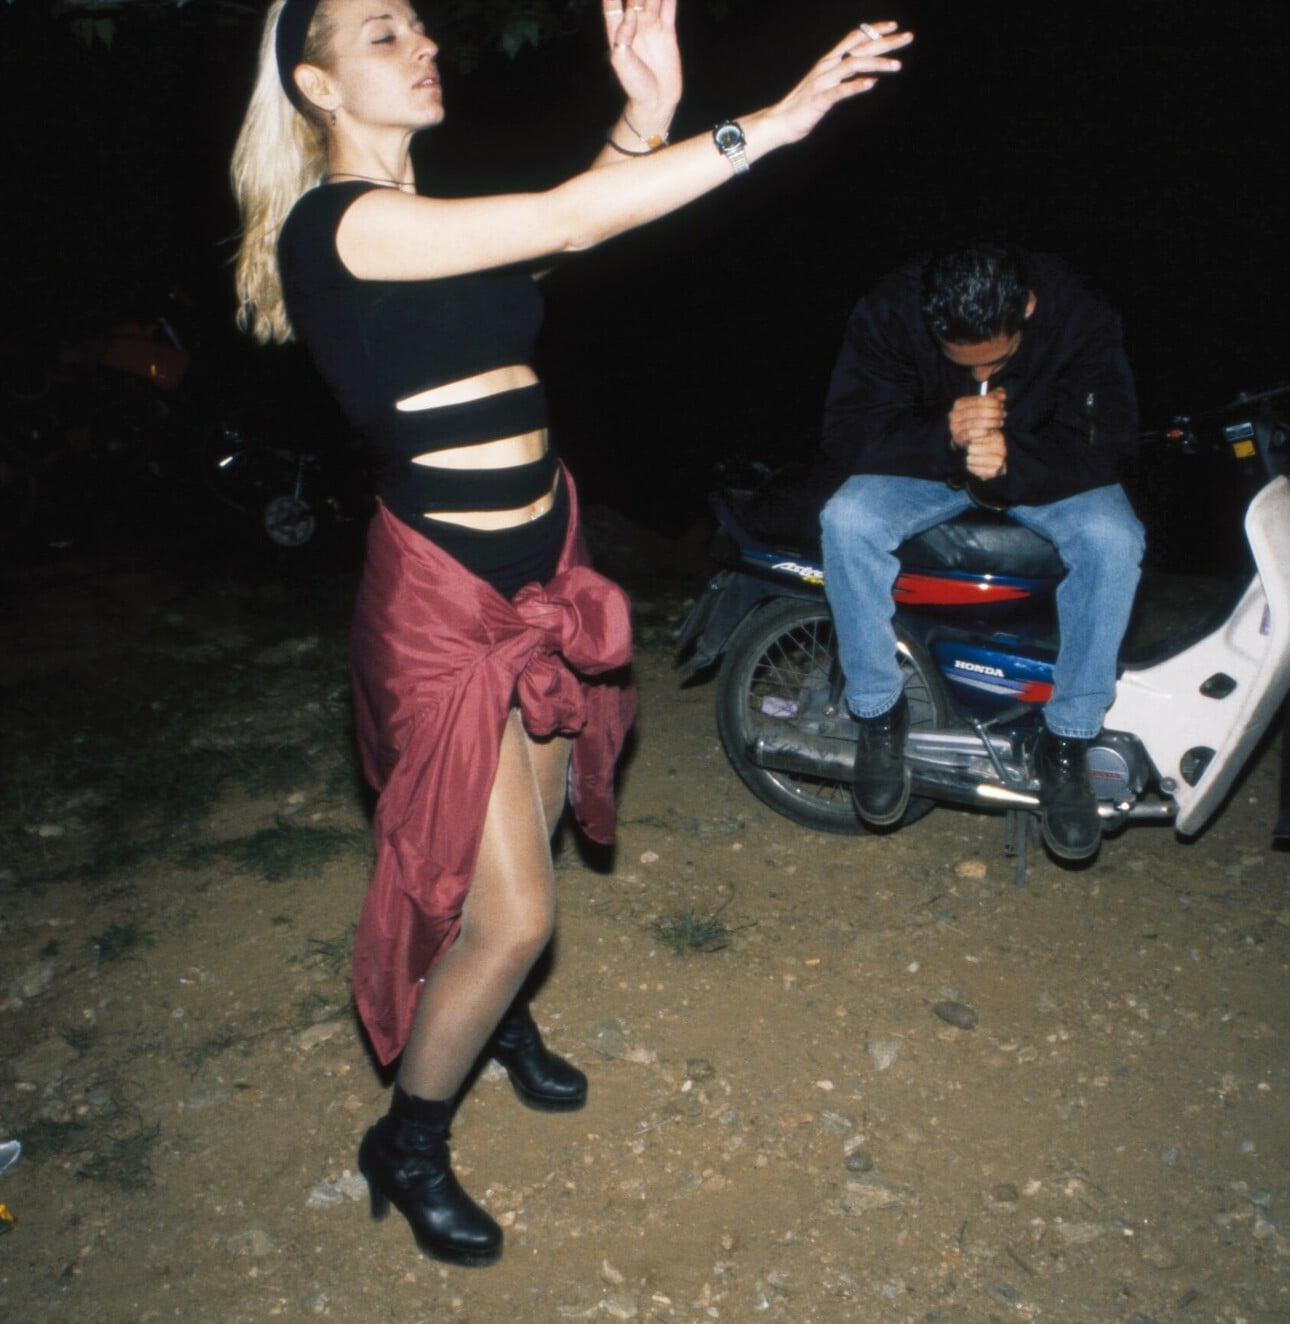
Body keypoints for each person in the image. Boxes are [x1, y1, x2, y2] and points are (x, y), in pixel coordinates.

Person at [229, 0, 909, 1267]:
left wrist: (642, 117)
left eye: (417, 23)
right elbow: (569, 219)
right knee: (517, 918)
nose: (423, 43)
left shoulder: (426, 225)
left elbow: (562, 230)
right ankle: (408, 1138)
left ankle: (487, 1019)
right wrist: (777, 122)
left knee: (531, 823)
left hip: (541, 560)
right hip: (448, 598)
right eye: (382, 34)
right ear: (319, 87)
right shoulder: (341, 225)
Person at [819, 243, 1144, 860]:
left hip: (1041, 467)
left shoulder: (1081, 314)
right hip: (927, 466)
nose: (978, 374)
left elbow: (1109, 444)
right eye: (960, 362)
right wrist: (945, 436)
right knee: (847, 519)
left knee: (1115, 540)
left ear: (1028, 307)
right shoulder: (889, 310)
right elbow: (848, 434)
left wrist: (1013, 461)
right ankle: (879, 715)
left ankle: (1067, 741)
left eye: (995, 360)